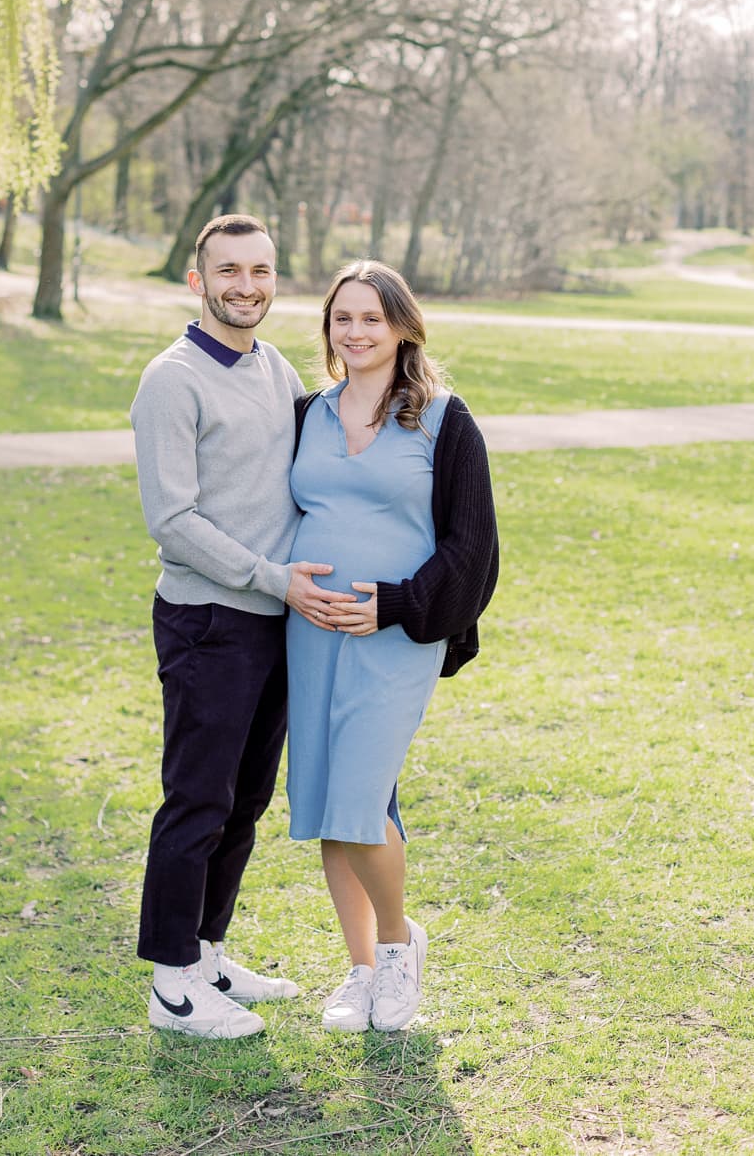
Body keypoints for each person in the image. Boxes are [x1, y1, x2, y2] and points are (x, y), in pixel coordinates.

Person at [130, 213, 335, 1039]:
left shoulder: (274, 363)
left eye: (260, 270)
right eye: (229, 271)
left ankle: (208, 951)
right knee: (196, 799)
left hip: (272, 619)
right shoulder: (171, 380)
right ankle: (172, 984)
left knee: (244, 799)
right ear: (197, 279)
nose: (246, 286)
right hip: (209, 618)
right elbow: (171, 518)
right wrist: (268, 575)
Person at [286, 259, 498, 1034]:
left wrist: (398, 604)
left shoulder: (444, 418)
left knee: (360, 798)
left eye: (372, 317)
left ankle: (401, 944)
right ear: (329, 329)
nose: (357, 331)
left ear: (403, 325)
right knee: (323, 800)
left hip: (397, 637)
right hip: (309, 634)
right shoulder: (308, 411)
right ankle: (361, 970)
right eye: (343, 318)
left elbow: (472, 545)